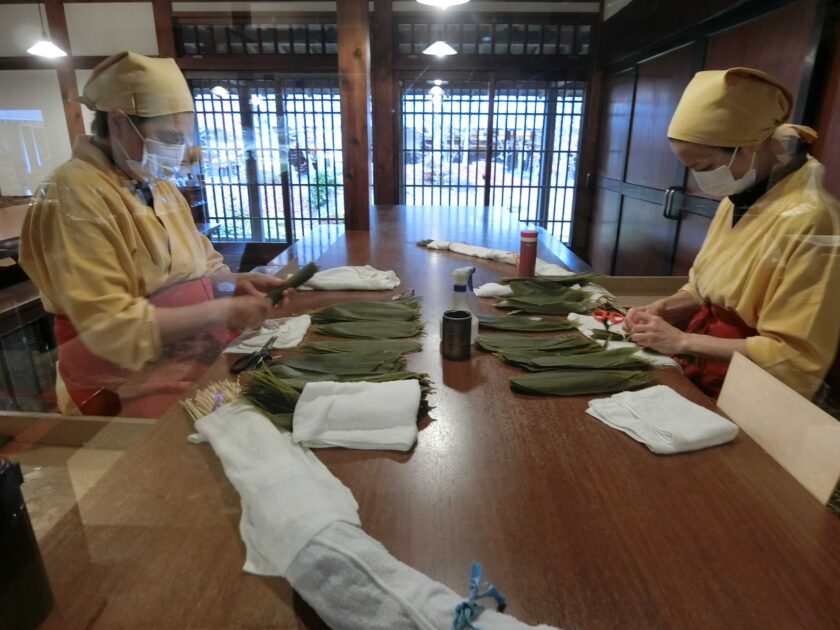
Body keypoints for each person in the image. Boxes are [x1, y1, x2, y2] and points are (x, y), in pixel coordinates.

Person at [19, 51, 287, 417]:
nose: (180, 151)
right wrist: (222, 310)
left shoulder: (156, 183)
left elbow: (197, 266)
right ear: (118, 122)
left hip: (185, 355)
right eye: (169, 137)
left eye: (182, 137)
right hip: (119, 378)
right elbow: (110, 325)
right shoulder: (73, 193)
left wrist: (235, 283)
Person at [624, 67, 840, 400]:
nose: (700, 181)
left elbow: (795, 355)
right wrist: (668, 307)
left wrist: (681, 340)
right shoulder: (737, 198)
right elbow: (707, 285)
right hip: (702, 365)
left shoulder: (813, 220)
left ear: (750, 146)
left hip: (749, 388)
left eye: (706, 167)